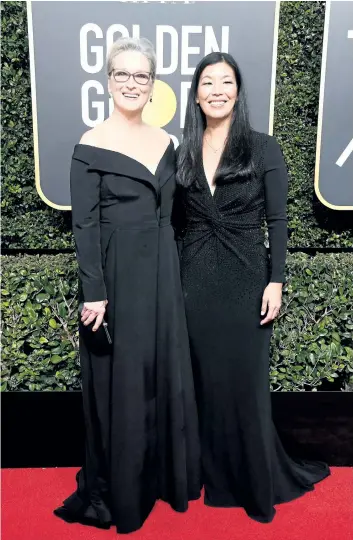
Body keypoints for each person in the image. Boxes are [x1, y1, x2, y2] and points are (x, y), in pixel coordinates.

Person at [175, 52, 330, 523]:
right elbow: (172, 222)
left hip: (246, 280)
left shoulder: (265, 148)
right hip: (193, 281)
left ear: (238, 92)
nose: (217, 90)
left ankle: (253, 478)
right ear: (196, 93)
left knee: (243, 385)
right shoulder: (179, 151)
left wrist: (276, 281)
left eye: (226, 82)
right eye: (208, 82)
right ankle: (210, 474)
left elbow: (279, 221)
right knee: (203, 384)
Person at [54, 37, 200, 534]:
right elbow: (85, 226)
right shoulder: (89, 145)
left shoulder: (166, 142)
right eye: (123, 75)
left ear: (153, 83)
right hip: (116, 275)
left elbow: (176, 217)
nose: (133, 83)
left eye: (142, 76)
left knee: (160, 371)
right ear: (108, 80)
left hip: (162, 268)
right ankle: (120, 487)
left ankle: (161, 475)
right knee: (122, 379)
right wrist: (94, 291)